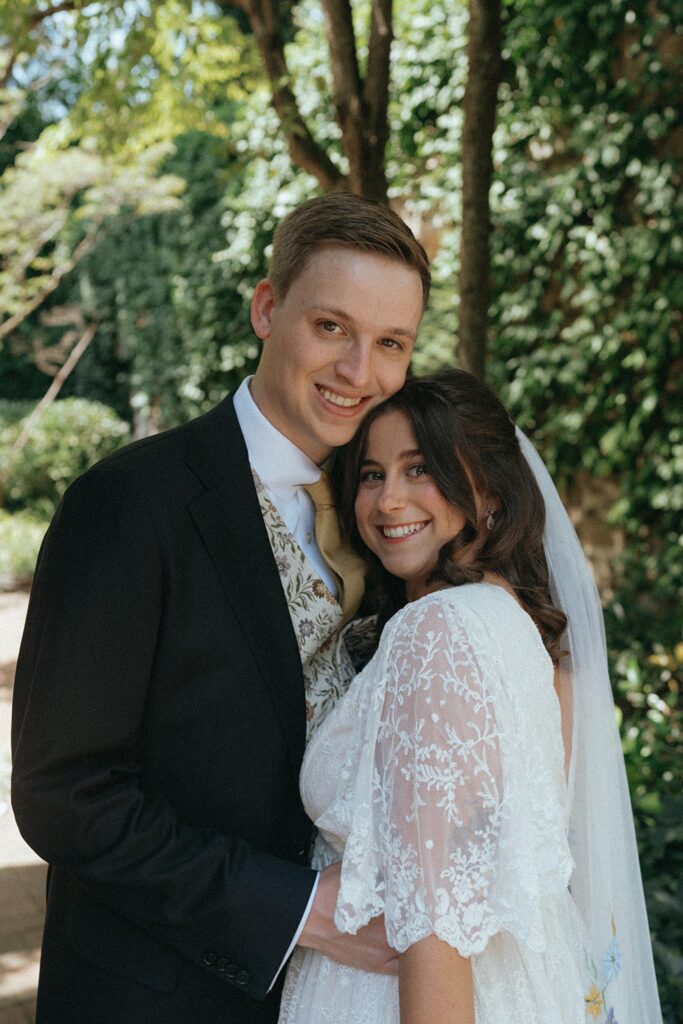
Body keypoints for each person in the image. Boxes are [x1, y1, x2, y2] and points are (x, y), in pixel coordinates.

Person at [10, 192, 430, 1024]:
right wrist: (298, 909)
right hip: (152, 995)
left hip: (335, 999)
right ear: (268, 310)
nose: (360, 372)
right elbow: (65, 794)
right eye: (331, 328)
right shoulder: (130, 503)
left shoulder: (387, 509)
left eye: (391, 344)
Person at [278, 370, 663, 1024]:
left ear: (486, 489)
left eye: (419, 469)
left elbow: (436, 923)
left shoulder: (437, 631)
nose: (388, 500)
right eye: (371, 475)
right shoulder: (527, 634)